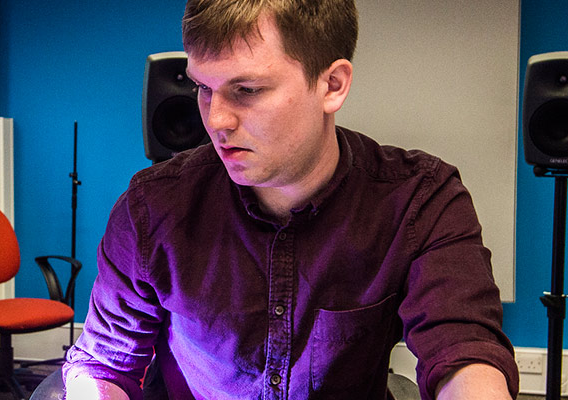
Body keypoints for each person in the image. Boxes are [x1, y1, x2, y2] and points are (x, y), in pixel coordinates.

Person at [64, 0, 519, 398]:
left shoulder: (420, 199)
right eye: (203, 88)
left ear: (333, 85)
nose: (216, 119)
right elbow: (103, 365)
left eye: (247, 90)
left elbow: (463, 349)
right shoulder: (152, 207)